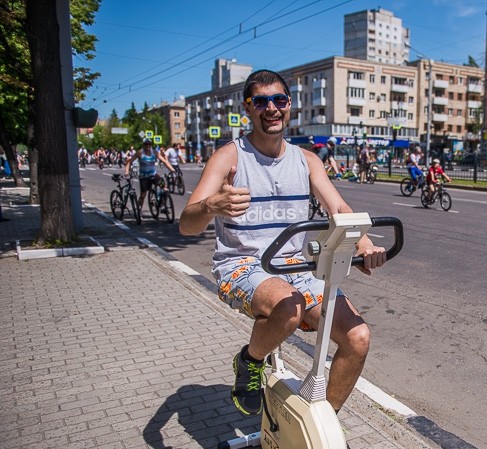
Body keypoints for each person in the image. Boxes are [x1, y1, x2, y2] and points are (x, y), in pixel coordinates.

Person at [178, 69, 387, 417]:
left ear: (289, 105)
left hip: (295, 267)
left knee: (358, 337)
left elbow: (338, 207)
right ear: (248, 108)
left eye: (279, 100)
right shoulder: (229, 158)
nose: (271, 108)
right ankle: (249, 361)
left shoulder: (307, 160)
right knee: (290, 307)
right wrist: (212, 205)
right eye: (260, 101)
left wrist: (363, 242)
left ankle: (319, 425)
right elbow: (187, 224)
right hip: (243, 267)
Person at [124, 138, 174, 209]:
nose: (148, 145)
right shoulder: (140, 153)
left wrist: (172, 170)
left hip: (154, 175)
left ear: (151, 144)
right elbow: (129, 162)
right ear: (143, 145)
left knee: (165, 188)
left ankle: (162, 205)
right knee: (143, 195)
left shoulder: (155, 152)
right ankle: (139, 210)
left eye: (149, 144)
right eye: (146, 144)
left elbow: (165, 161)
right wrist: (126, 172)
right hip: (144, 177)